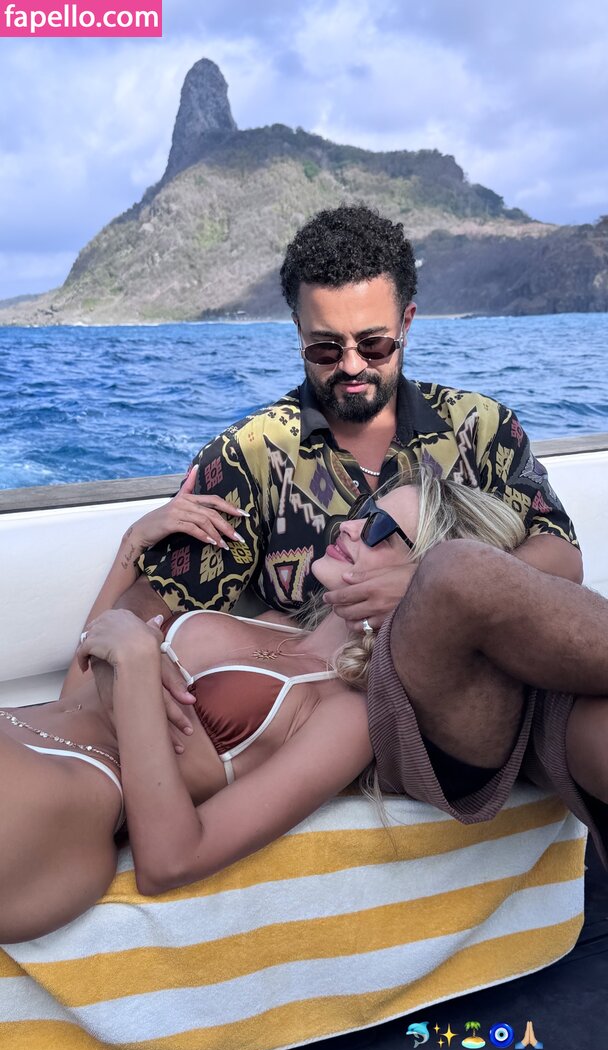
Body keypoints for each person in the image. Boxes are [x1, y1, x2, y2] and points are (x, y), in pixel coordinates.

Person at [2, 469, 606, 945]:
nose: (349, 525)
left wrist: (137, 662)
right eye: (362, 510)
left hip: (58, 802)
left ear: (419, 571)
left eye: (378, 528)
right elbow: (77, 694)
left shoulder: (346, 712)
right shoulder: (271, 620)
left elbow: (171, 860)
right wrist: (130, 549)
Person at [108, 205, 581, 642]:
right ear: (299, 331)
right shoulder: (248, 458)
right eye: (325, 348)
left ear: (406, 323)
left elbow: (560, 554)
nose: (352, 366)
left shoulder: (481, 428)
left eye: (374, 345)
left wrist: (426, 585)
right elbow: (153, 604)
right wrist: (142, 647)